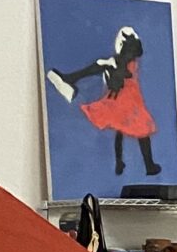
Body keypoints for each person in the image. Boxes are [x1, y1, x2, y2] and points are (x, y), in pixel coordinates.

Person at [47, 25, 162, 181]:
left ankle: (129, 163)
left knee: (123, 128)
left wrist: (110, 67)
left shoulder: (124, 60)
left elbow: (122, 70)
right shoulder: (128, 60)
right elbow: (122, 70)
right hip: (128, 101)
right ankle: (145, 165)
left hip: (125, 101)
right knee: (135, 130)